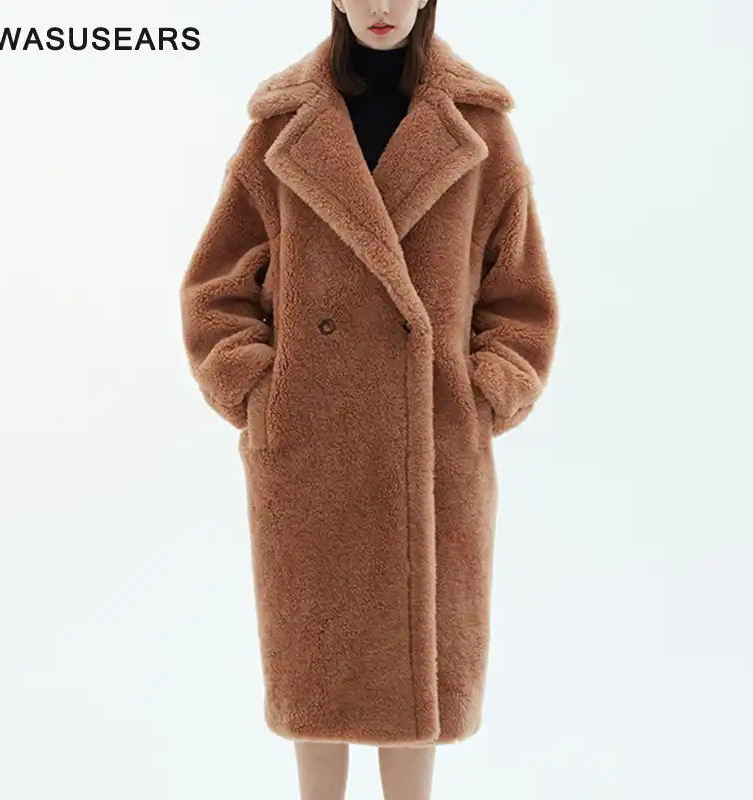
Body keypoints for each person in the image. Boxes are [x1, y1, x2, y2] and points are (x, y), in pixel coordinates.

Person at [179, 1, 559, 798]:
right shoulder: (281, 128)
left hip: (432, 447)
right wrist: (261, 390)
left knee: (417, 687)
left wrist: (483, 394)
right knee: (315, 676)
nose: (381, 6)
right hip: (310, 446)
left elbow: (519, 299)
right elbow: (215, 289)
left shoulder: (479, 129)